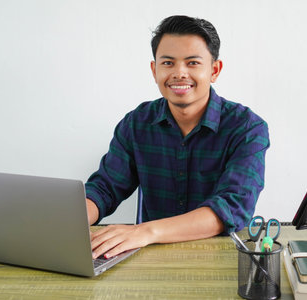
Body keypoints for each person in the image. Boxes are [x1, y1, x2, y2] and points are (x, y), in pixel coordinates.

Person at [86, 15, 270, 259]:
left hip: (220, 260)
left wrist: (146, 231)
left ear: (214, 70)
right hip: (151, 260)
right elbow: (104, 189)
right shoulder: (136, 123)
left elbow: (231, 208)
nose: (179, 73)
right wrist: (67, 222)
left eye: (193, 63)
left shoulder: (247, 128)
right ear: (155, 70)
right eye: (168, 63)